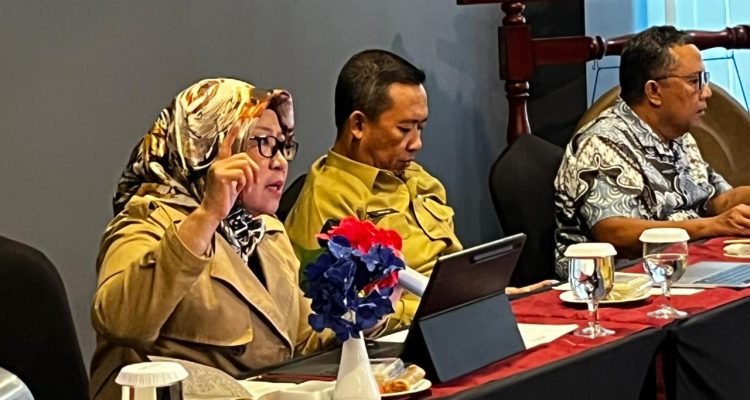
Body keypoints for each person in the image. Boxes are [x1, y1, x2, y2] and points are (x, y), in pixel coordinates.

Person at [90, 78, 340, 399]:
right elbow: (122, 322)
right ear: (207, 148)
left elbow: (302, 341)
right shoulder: (148, 219)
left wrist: (359, 318)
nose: (279, 161)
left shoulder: (265, 231)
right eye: (263, 142)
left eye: (283, 145)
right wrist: (208, 214)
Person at [285, 50, 554, 332]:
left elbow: (451, 270)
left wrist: (489, 293)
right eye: (404, 129)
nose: (417, 143)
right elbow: (336, 318)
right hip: (402, 337)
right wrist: (450, 305)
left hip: (460, 319)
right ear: (358, 125)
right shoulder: (327, 200)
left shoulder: (418, 178)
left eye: (420, 127)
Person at [554, 26, 750, 278]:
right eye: (694, 81)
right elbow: (615, 232)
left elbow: (715, 201)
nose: (707, 92)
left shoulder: (679, 137)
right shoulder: (602, 142)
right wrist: (712, 226)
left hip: (680, 267)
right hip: (613, 282)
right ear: (654, 91)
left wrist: (729, 213)